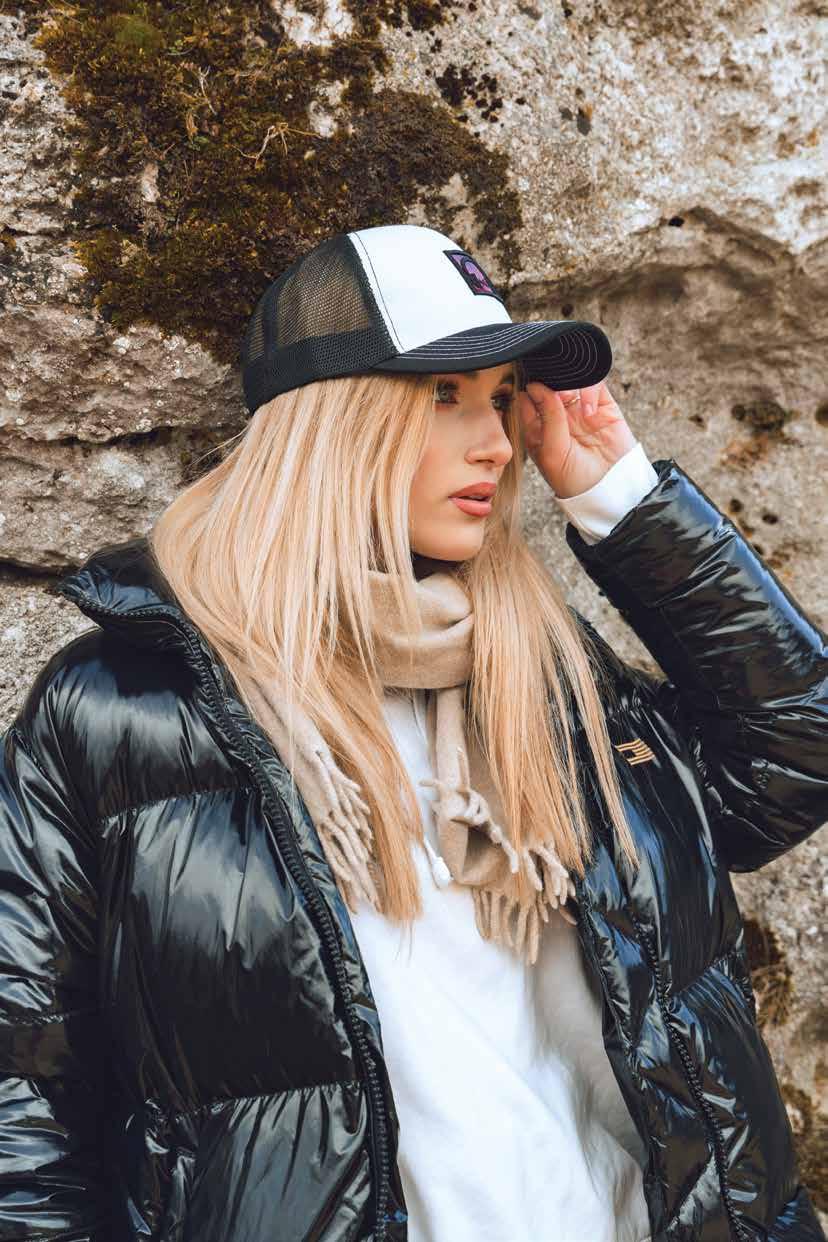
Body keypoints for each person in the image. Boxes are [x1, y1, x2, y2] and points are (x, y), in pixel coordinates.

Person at [0, 223, 825, 1242]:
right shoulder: (124, 709)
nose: (497, 443)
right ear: (336, 422)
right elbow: (23, 1092)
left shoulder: (542, 664)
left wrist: (622, 497)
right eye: (444, 395)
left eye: (501, 398)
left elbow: (789, 760)